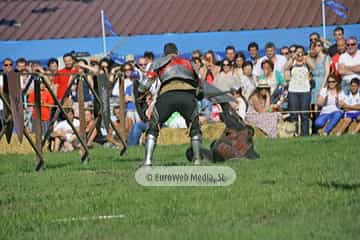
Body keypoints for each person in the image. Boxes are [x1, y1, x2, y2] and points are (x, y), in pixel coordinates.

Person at [136, 43, 203, 165]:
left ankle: (147, 161)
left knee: (153, 127)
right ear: (177, 52)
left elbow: (146, 83)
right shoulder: (188, 62)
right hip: (187, 96)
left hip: (167, 96)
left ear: (165, 53)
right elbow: (200, 83)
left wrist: (140, 91)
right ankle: (197, 159)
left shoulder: (159, 62)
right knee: (195, 128)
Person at [284, 45, 315, 136]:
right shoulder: (292, 63)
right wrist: (292, 58)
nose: (299, 54)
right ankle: (294, 133)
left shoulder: (306, 61)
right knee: (293, 114)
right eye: (297, 52)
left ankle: (304, 134)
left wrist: (306, 58)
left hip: (305, 91)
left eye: (301, 52)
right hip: (293, 91)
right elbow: (285, 68)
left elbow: (313, 67)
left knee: (305, 114)